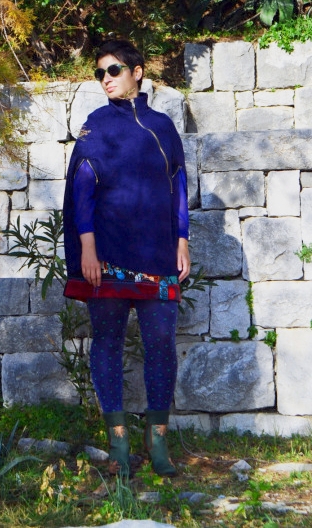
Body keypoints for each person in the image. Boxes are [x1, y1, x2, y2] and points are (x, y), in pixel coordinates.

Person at [63, 39, 190, 477]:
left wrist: (182, 239)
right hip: (108, 257)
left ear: (137, 71)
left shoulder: (162, 126)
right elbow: (82, 189)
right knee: (108, 343)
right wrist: (88, 248)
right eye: (100, 73)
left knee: (161, 345)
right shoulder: (95, 126)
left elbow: (178, 183)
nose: (106, 79)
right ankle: (118, 443)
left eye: (113, 70)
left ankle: (158, 441)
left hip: (157, 254)